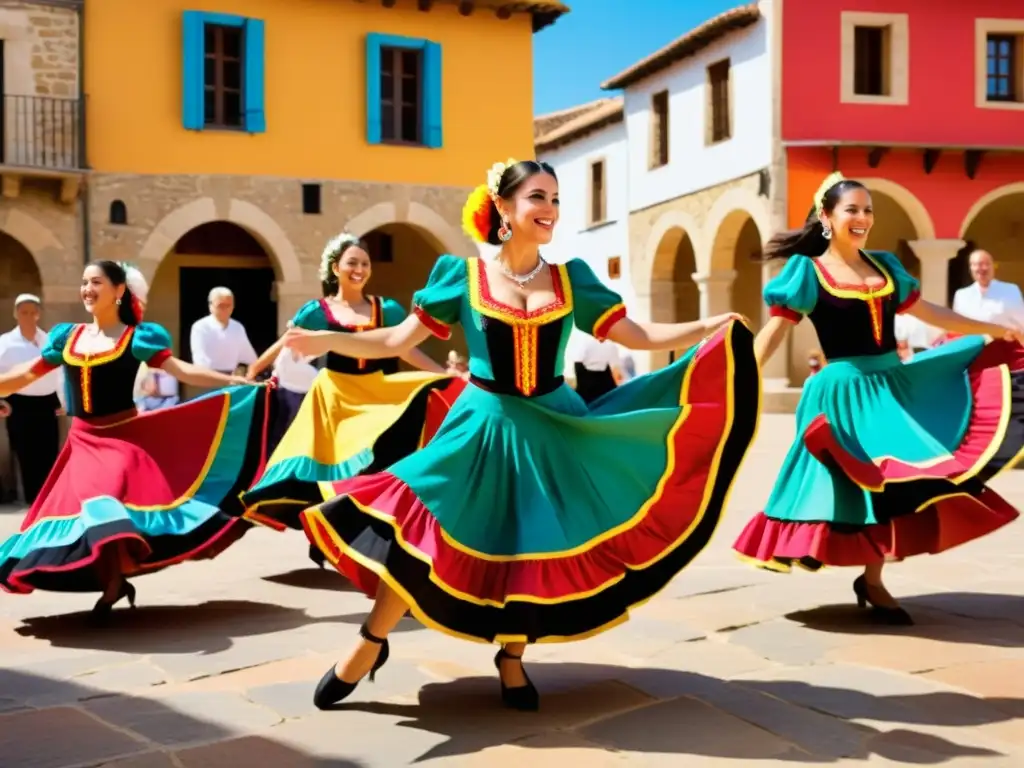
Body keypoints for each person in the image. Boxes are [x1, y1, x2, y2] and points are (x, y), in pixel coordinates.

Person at [283, 159, 759, 711]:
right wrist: (325, 343)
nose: (551, 210)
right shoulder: (459, 277)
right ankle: (370, 642)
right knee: (419, 522)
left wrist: (706, 326)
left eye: (556, 199)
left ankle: (512, 658)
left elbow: (636, 333)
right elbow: (395, 341)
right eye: (538, 198)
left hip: (554, 426)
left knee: (530, 544)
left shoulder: (570, 277)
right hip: (480, 426)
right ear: (504, 208)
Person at [733, 173, 1024, 625]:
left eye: (868, 210)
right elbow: (773, 335)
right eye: (852, 209)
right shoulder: (807, 272)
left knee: (900, 477)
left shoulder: (887, 267)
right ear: (827, 218)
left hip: (893, 385)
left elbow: (932, 314)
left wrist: (992, 330)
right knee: (861, 484)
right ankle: (871, 579)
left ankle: (872, 578)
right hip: (842, 395)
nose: (862, 218)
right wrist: (736, 378)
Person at [0, 261, 272, 617]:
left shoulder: (136, 337)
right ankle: (114, 581)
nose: (87, 289)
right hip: (82, 442)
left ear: (118, 290)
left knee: (105, 504)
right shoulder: (67, 337)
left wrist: (233, 382)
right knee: (88, 514)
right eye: (84, 282)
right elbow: (24, 374)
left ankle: (114, 583)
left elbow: (179, 369)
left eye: (96, 282)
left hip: (123, 439)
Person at [240, 233, 465, 567]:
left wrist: (443, 375)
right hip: (337, 396)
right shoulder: (317, 311)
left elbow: (405, 346)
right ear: (336, 268)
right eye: (352, 263)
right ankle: (325, 529)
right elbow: (289, 340)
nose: (359, 269)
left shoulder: (385, 308)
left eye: (365, 263)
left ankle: (367, 533)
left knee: (380, 464)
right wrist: (255, 370)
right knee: (336, 470)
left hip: (379, 394)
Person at [0, 294, 65, 504]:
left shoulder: (48, 341)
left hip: (47, 404)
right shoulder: (5, 343)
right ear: (15, 314)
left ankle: (48, 503)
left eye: (32, 312)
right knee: (25, 455)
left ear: (38, 314)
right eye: (23, 312)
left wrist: (65, 402)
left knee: (48, 454)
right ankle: (31, 502)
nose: (28, 316)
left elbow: (61, 373)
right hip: (18, 404)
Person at [189, 287, 258, 391]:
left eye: (228, 305)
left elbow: (250, 358)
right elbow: (200, 361)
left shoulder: (237, 327)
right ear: (210, 306)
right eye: (221, 306)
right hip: (208, 382)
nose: (225, 309)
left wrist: (251, 373)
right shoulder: (200, 327)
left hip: (233, 383)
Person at [565, 328, 622, 403]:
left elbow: (572, 375)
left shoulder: (581, 341)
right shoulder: (610, 344)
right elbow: (617, 375)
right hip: (607, 396)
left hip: (585, 398)